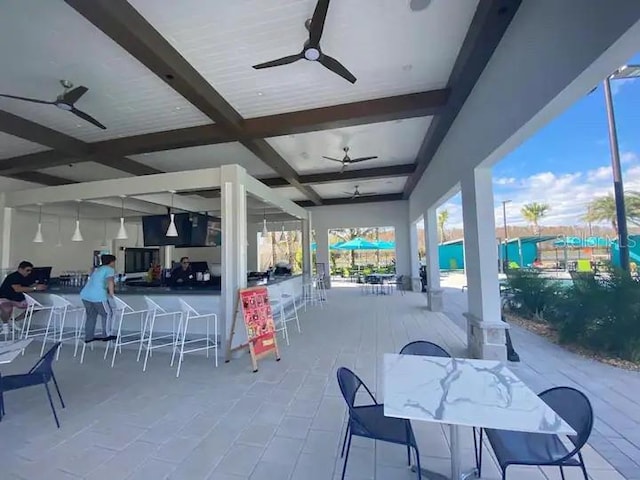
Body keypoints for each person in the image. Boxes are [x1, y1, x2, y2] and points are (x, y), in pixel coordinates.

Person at [0, 260, 46, 335]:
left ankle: (15, 321)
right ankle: (5, 326)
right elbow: (17, 289)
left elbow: (26, 286)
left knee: (36, 307)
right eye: (27, 270)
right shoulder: (13, 276)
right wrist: (35, 288)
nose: (29, 272)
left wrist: (36, 286)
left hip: (17, 299)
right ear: (20, 269)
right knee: (6, 307)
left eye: (30, 270)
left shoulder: (26, 277)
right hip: (5, 297)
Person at [80, 254, 117, 343]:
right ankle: (106, 335)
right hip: (98, 296)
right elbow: (110, 281)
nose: (114, 264)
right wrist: (112, 294)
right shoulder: (109, 269)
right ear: (111, 262)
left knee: (91, 316)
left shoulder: (97, 269)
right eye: (114, 262)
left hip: (85, 295)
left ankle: (88, 337)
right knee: (107, 314)